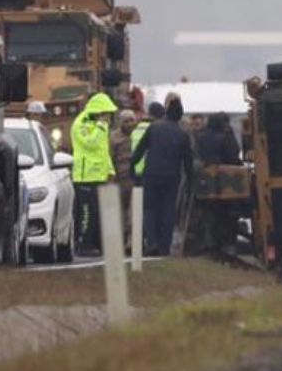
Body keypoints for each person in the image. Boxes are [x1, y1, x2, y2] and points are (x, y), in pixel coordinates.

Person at [131, 97, 193, 256]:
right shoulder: (182, 135)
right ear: (179, 116)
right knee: (167, 211)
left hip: (151, 174)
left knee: (150, 209)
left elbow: (138, 151)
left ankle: (152, 242)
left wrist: (133, 170)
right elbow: (188, 163)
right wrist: (191, 182)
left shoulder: (153, 128)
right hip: (171, 178)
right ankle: (164, 246)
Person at [71, 92, 119, 255]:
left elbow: (103, 151)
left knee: (98, 213)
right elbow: (89, 143)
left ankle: (96, 244)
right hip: (85, 177)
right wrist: (100, 126)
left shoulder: (101, 127)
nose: (108, 118)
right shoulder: (81, 123)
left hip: (99, 177)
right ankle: (84, 245)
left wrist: (110, 170)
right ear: (99, 112)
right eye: (106, 113)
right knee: (86, 213)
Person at [110, 109, 139, 252]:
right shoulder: (114, 138)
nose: (129, 123)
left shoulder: (138, 135)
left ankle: (131, 241)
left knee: (134, 212)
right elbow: (109, 157)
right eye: (126, 121)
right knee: (120, 212)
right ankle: (120, 240)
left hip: (135, 178)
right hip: (119, 179)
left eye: (131, 120)